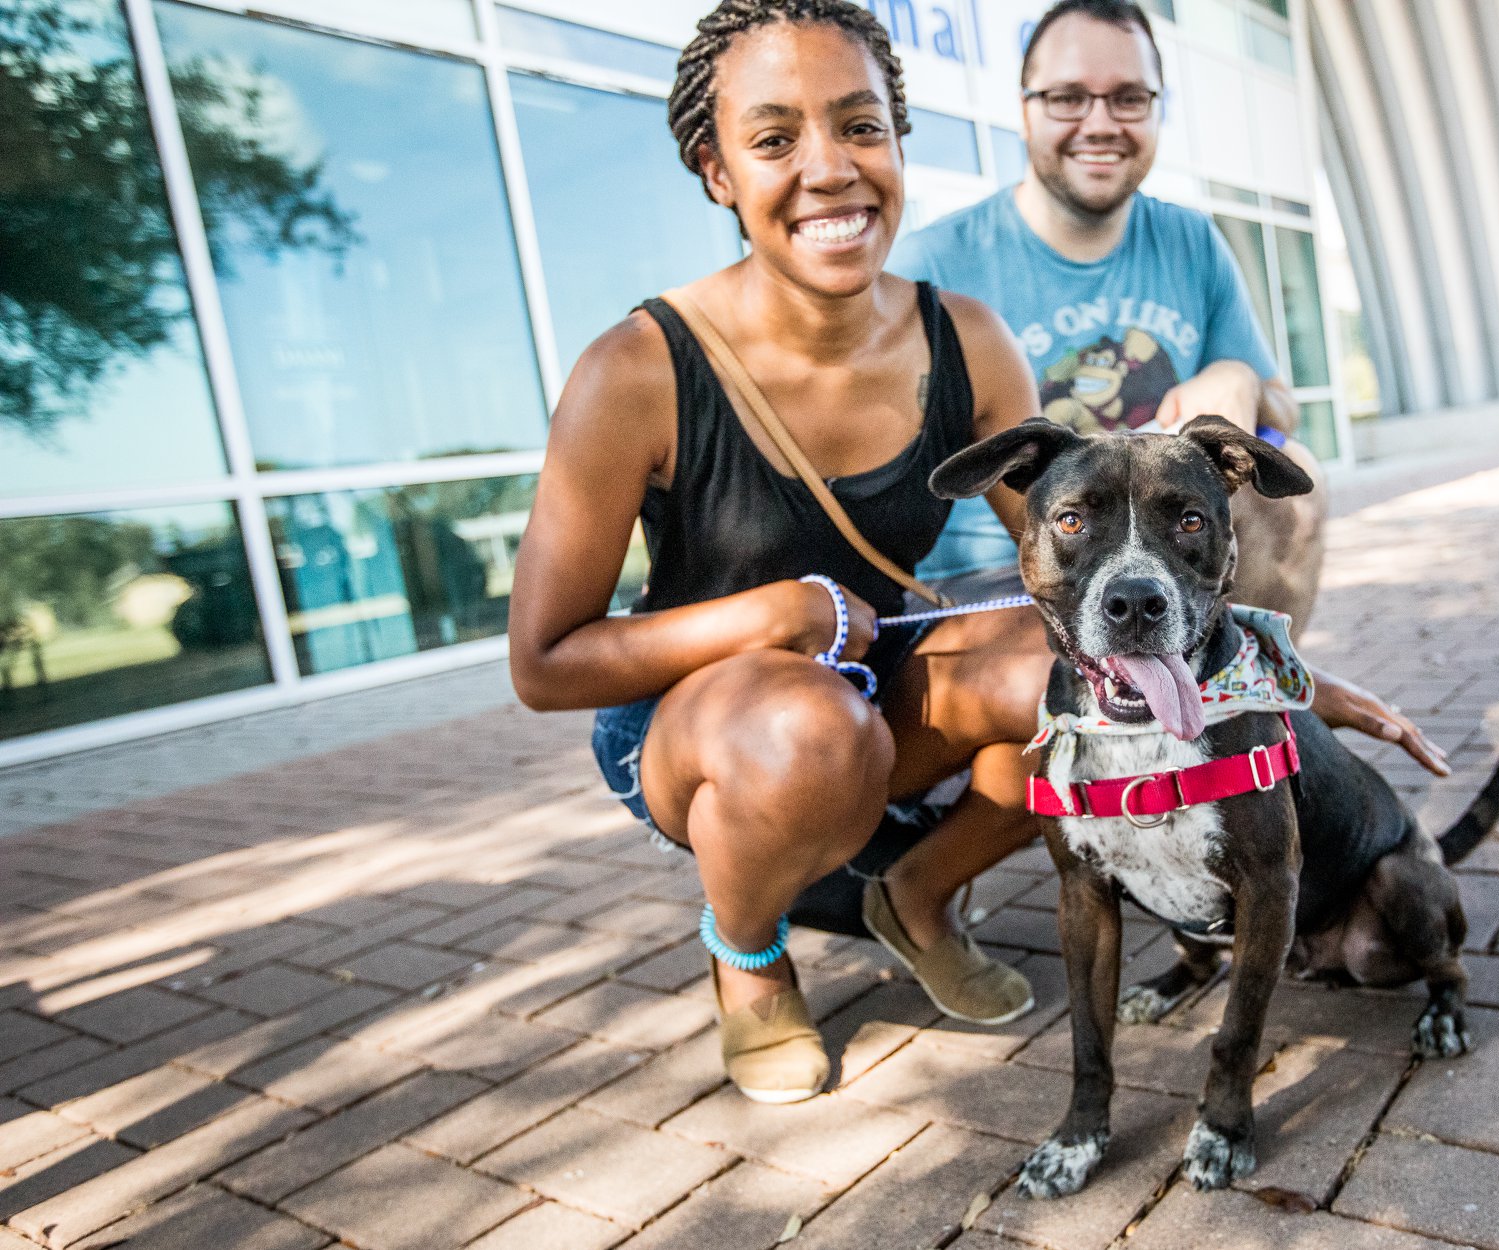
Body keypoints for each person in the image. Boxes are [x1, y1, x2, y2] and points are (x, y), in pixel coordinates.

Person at [508, 0, 1052, 1104]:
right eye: (774, 139)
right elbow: (544, 662)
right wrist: (768, 617)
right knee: (809, 729)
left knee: (1071, 676)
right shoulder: (637, 367)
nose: (829, 170)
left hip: (873, 693)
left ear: (899, 141)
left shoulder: (970, 341)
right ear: (716, 172)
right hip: (697, 725)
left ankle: (917, 892)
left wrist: (1271, 674)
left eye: (860, 127)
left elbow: (1067, 559)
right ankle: (747, 950)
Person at [891, 0, 1444, 768]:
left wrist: (1236, 377)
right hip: (993, 579)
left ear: (1155, 109)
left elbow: (1279, 407)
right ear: (1023, 110)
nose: (1099, 121)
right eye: (1066, 97)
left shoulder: (1187, 240)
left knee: (1297, 489)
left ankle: (1227, 721)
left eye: (1127, 98)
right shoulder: (935, 261)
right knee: (1055, 678)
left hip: (1150, 556)